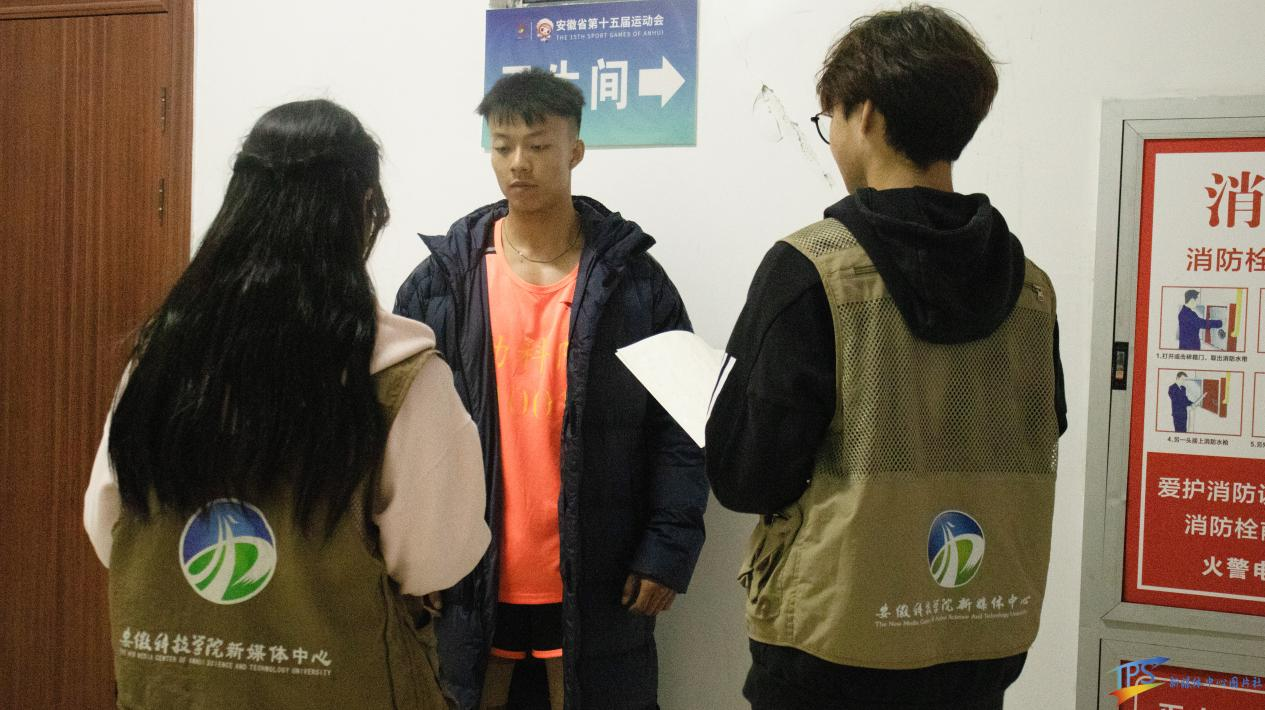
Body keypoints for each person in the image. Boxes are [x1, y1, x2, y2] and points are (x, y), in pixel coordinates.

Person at [706, 6, 1068, 709]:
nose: (833, 139)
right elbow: (1035, 433)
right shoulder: (1031, 288)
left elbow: (748, 475)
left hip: (834, 646)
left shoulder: (810, 270)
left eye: (830, 119)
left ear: (865, 114)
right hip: (982, 638)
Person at [83, 99, 488, 710]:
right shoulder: (400, 376)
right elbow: (439, 558)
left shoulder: (158, 360)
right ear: (363, 208)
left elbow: (106, 525)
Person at [394, 69, 708, 710]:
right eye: (503, 145)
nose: (519, 163)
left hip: (602, 581)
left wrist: (667, 549)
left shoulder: (635, 283)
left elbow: (682, 424)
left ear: (575, 151)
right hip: (468, 579)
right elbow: (400, 431)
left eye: (538, 145)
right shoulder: (441, 283)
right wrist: (413, 552)